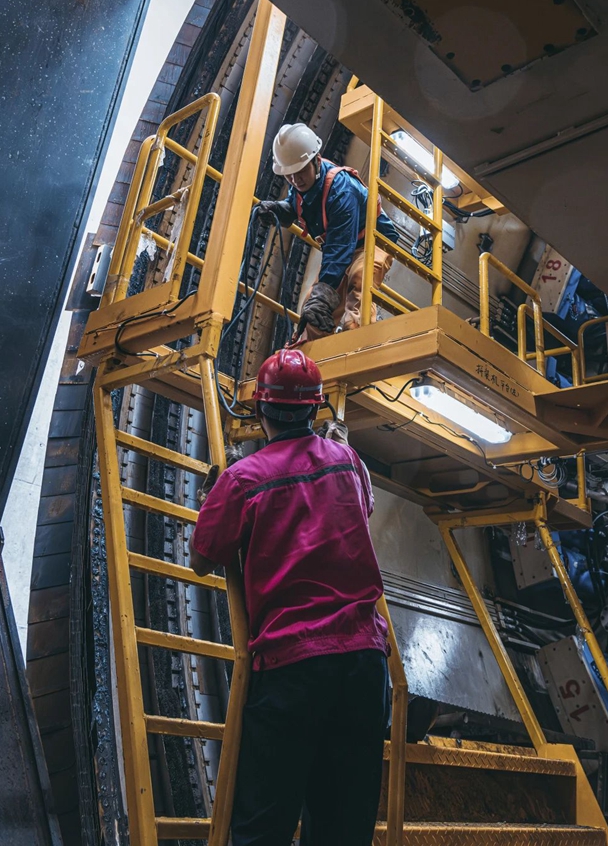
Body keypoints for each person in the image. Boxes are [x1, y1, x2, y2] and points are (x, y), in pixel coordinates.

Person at [189, 348, 390, 846]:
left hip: (291, 671)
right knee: (343, 828)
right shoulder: (347, 462)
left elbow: (202, 558)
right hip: (365, 667)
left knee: (264, 825)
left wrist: (213, 500)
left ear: (260, 410)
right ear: (315, 408)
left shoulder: (244, 479)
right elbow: (362, 506)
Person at [256, 122, 399, 341]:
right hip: (344, 247)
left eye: (300, 171)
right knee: (311, 309)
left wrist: (323, 298)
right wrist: (279, 210)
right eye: (289, 175)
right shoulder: (302, 183)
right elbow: (295, 206)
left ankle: (358, 338)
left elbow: (339, 249)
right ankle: (305, 355)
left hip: (374, 241)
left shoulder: (342, 189)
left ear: (316, 159)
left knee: (359, 280)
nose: (295, 180)